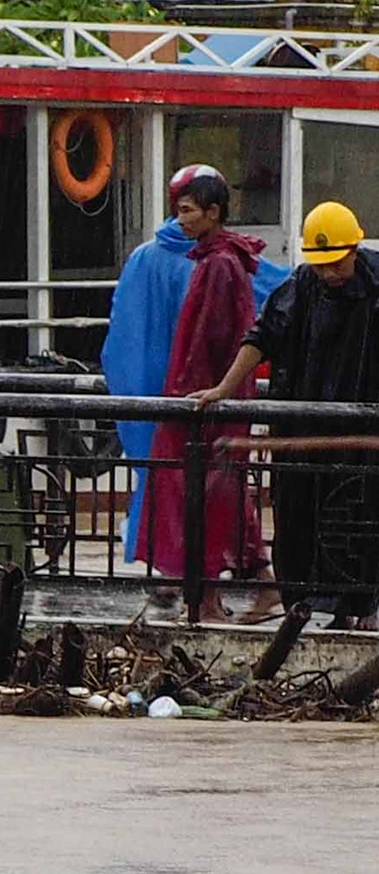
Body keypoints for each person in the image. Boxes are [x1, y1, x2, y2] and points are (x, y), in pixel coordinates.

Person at [196, 201, 377, 625]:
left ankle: (360, 604)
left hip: (361, 428)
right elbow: (263, 334)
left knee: (358, 514)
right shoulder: (303, 286)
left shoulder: (375, 283)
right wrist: (224, 387)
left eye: (336, 264)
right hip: (303, 423)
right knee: (299, 513)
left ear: (355, 249)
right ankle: (304, 601)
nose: (330, 274)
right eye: (322, 266)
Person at [105, 165, 281, 581]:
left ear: (212, 211)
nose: (181, 219)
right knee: (215, 492)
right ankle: (244, 582)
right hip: (202, 396)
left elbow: (206, 337)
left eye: (188, 211)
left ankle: (202, 590)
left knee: (194, 491)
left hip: (193, 399)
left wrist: (202, 388)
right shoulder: (225, 258)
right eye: (180, 210)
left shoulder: (211, 261)